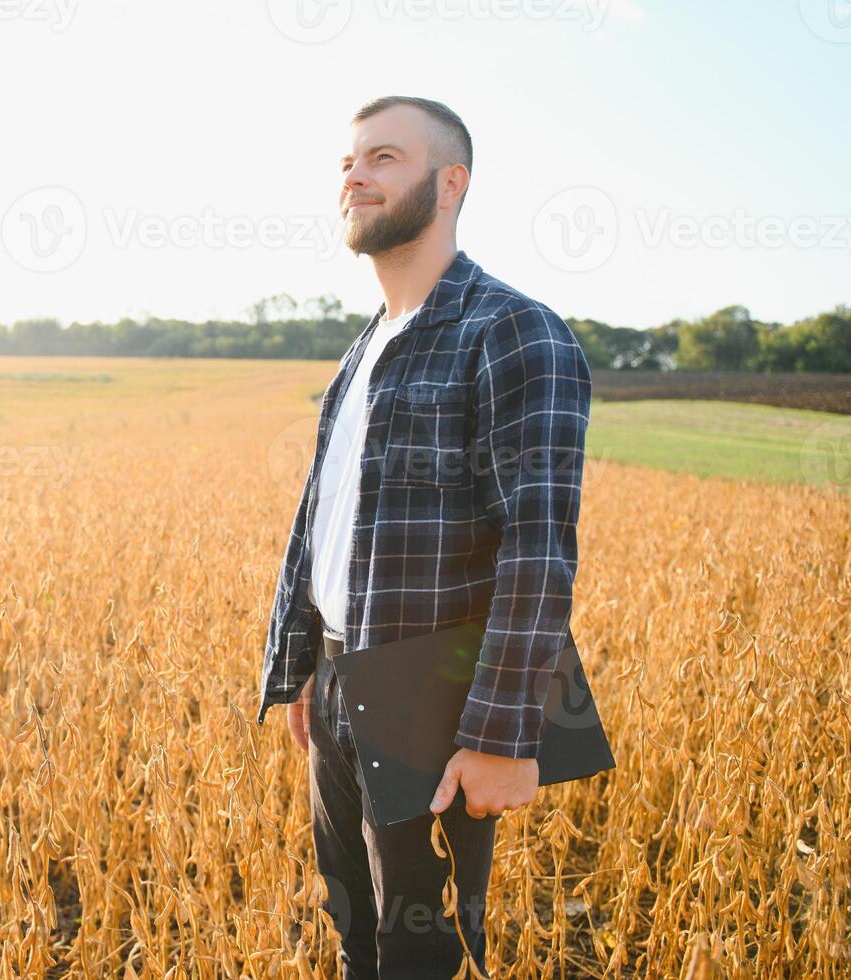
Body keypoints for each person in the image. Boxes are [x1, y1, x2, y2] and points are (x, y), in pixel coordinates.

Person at [255, 95, 593, 978]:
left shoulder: (512, 330)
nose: (356, 176)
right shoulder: (365, 347)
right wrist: (305, 672)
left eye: (384, 159)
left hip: (430, 695)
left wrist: (503, 734)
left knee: (422, 956)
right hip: (341, 683)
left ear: (451, 184)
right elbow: (328, 523)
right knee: (356, 936)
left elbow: (537, 548)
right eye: (347, 163)